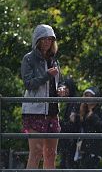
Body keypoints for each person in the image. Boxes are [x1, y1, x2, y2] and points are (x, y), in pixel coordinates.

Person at [21, 24, 61, 169]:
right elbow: (28, 83)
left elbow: (58, 82)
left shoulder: (54, 59)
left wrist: (62, 89)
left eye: (50, 39)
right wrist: (46, 76)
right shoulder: (29, 59)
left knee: (51, 154)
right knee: (36, 152)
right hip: (34, 111)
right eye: (44, 39)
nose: (47, 42)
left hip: (52, 111)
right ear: (37, 40)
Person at [77, 87, 102, 169]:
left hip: (95, 149)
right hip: (83, 150)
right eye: (86, 95)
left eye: (90, 95)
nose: (87, 97)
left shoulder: (100, 112)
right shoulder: (83, 112)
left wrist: (94, 117)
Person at [57, 78, 80, 169]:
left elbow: (72, 123)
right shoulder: (70, 102)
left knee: (69, 164)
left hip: (72, 139)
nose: (64, 90)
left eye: (66, 88)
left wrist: (57, 122)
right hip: (68, 139)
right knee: (65, 163)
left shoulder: (75, 101)